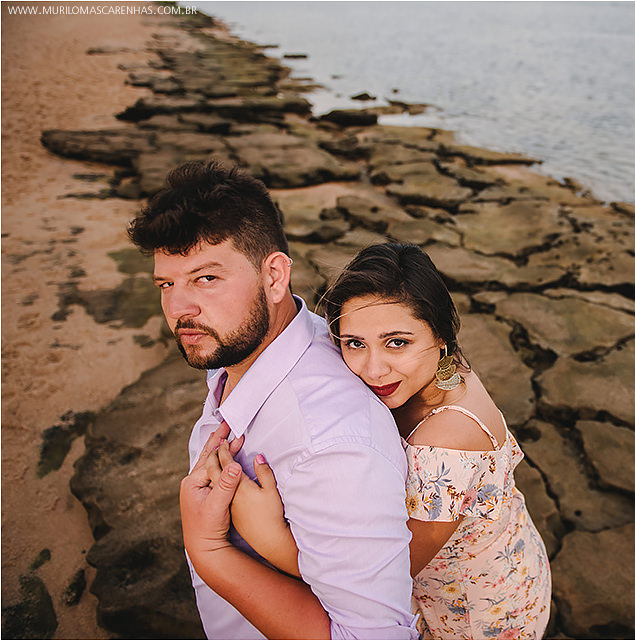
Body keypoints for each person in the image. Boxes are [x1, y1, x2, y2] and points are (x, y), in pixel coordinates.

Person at [198, 243, 553, 639]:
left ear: (440, 335)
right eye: (354, 343)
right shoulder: (434, 370)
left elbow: (388, 573)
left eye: (397, 342)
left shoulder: (449, 442)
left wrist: (269, 536)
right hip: (506, 553)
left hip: (475, 612)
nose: (373, 368)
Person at [128, 161, 418, 640]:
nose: (179, 309)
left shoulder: (330, 444)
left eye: (205, 278)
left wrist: (209, 552)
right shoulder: (242, 353)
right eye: (166, 284)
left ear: (276, 276)